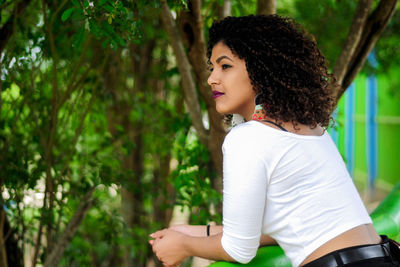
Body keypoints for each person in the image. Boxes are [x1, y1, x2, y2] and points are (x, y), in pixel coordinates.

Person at [149, 15, 400, 267]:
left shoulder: (248, 138)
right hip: (382, 257)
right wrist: (200, 231)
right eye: (212, 67)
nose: (211, 78)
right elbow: (293, 225)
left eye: (225, 66)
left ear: (260, 69)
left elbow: (239, 249)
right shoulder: (309, 128)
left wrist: (181, 245)